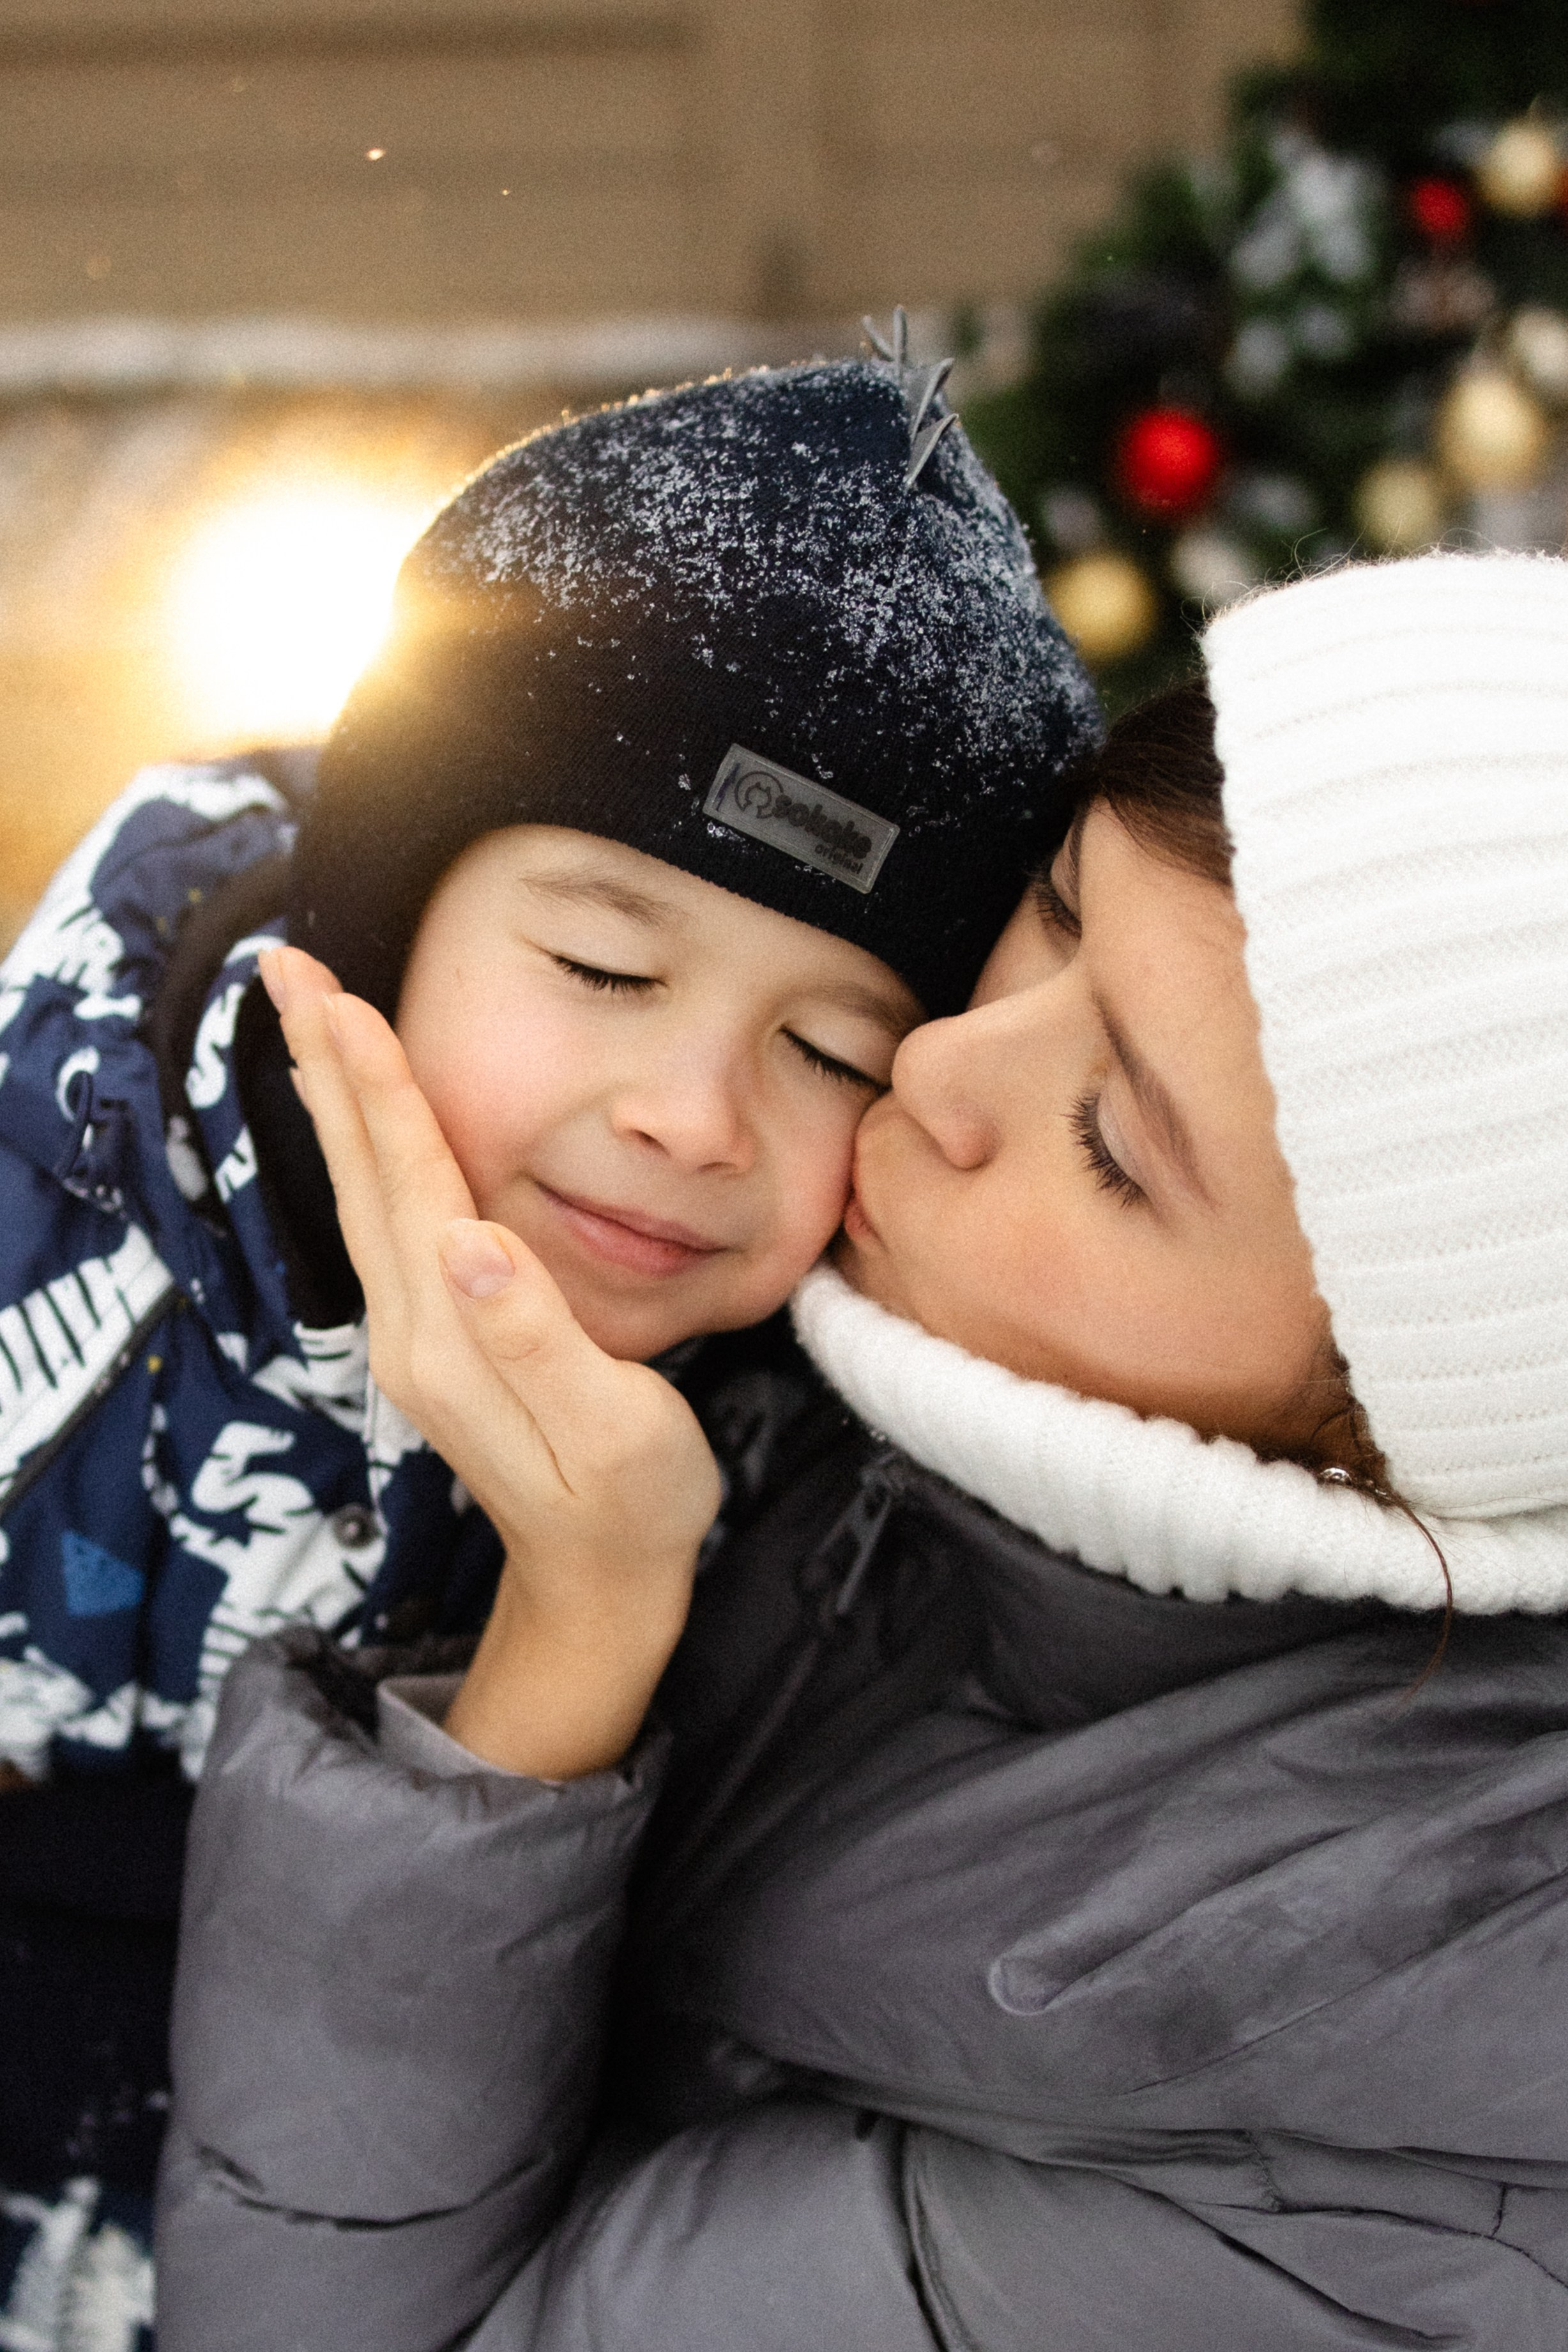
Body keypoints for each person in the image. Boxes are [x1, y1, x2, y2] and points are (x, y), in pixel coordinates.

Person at [158, 548, 1568, 2348]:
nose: (940, 1065)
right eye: (1056, 909)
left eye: (1116, 1143)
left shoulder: (1371, 2189)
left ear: (1395, 1436)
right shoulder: (904, 1352)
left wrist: (570, 1638)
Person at [0, 349, 1097, 2321]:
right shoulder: (54, 1212)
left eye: (831, 1050)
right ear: (381, 918)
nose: (693, 1115)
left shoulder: (820, 1456)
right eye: (603, 963)